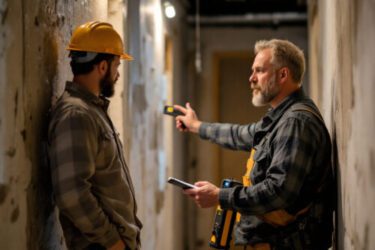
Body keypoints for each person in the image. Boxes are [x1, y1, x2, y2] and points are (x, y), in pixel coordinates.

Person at [174, 39, 334, 249]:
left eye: (259, 71)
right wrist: (196, 125)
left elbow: (278, 192)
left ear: (283, 74)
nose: (251, 78)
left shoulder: (295, 122)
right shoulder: (281, 118)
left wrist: (219, 196)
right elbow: (239, 135)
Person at [48, 21, 142, 250]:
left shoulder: (91, 110)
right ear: (102, 67)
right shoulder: (76, 114)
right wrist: (113, 242)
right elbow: (72, 194)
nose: (117, 74)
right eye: (116, 66)